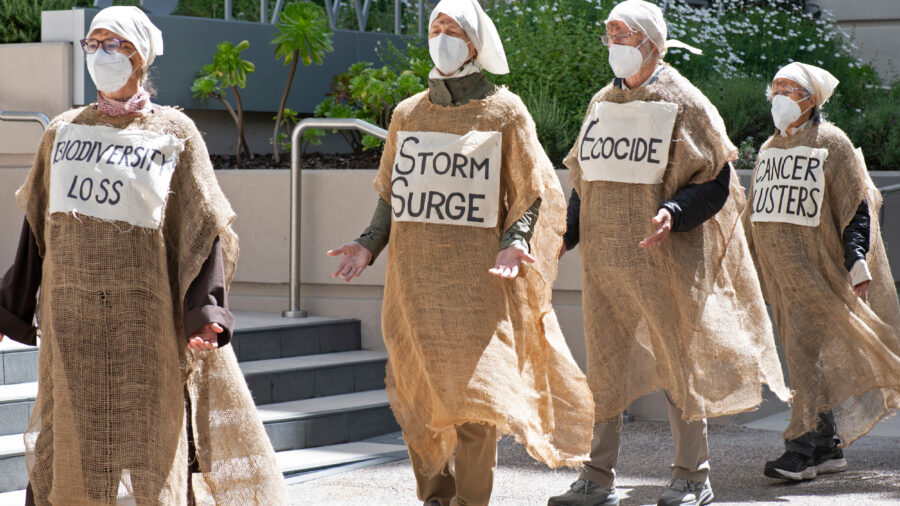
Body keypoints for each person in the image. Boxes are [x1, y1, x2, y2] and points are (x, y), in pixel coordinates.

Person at [0, 7, 288, 505]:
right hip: (73, 329)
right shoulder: (63, 132)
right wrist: (11, 305)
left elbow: (203, 228)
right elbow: (38, 228)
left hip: (145, 330)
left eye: (113, 44)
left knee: (155, 452)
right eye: (93, 44)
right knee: (68, 453)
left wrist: (205, 313)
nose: (99, 55)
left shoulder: (174, 133)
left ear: (140, 56)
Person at [327, 0, 594, 504]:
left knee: (477, 401)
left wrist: (516, 243)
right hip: (414, 284)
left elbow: (529, 190)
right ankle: (434, 495)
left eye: (453, 28)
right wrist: (367, 244)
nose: (442, 36)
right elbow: (391, 192)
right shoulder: (408, 112)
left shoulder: (504, 110)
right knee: (420, 395)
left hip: (480, 284)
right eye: (436, 27)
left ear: (475, 43)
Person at [547, 1, 789, 505]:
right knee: (606, 365)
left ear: (652, 42)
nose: (613, 43)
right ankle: (596, 476)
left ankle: (691, 476)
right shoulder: (601, 103)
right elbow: (583, 180)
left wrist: (674, 213)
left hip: (667, 263)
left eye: (623, 34)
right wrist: (565, 235)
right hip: (607, 265)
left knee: (681, 364)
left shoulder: (685, 101)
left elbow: (717, 180)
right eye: (608, 34)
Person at [745, 62, 900, 482]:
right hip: (783, 279)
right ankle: (827, 445)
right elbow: (756, 211)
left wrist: (856, 260)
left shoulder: (832, 143)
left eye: (789, 89)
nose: (779, 95)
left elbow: (856, 207)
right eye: (775, 86)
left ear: (811, 99)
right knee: (805, 359)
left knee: (804, 357)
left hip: (821, 275)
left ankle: (802, 449)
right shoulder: (769, 149)